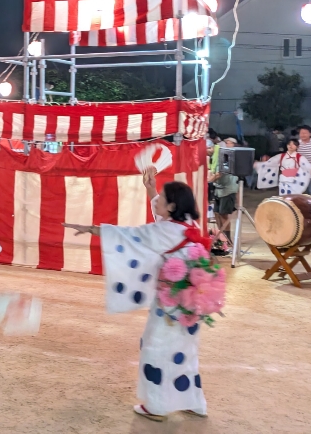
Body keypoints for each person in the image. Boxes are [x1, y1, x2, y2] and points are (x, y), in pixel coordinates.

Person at [64, 179, 215, 421]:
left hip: (170, 304)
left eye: (161, 199)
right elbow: (161, 227)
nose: (156, 202)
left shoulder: (164, 231)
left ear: (172, 206)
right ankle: (193, 401)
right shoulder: (189, 223)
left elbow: (130, 235)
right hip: (192, 301)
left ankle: (156, 406)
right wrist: (151, 188)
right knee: (185, 352)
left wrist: (91, 229)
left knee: (155, 349)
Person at [209, 138, 239, 236]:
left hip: (227, 189)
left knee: (224, 214)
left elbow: (220, 173)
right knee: (216, 213)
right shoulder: (214, 157)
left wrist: (208, 181)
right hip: (218, 189)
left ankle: (227, 238)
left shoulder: (225, 156)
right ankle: (220, 235)